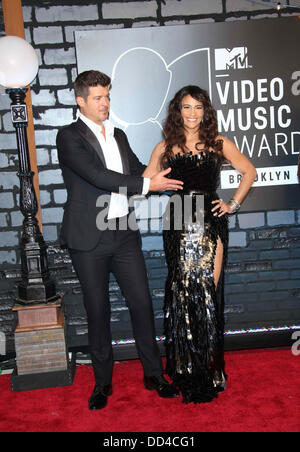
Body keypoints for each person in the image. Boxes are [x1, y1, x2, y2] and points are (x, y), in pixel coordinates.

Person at [56, 70, 183, 410]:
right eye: (98, 97)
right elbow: (99, 177)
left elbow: (138, 170)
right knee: (98, 311)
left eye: (107, 96)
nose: (105, 103)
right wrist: (147, 185)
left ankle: (154, 374)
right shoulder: (69, 137)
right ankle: (102, 383)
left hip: (123, 233)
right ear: (81, 100)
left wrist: (165, 160)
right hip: (88, 237)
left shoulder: (120, 135)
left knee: (142, 304)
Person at [144, 85, 257, 404]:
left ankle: (208, 369)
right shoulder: (164, 146)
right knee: (182, 293)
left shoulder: (219, 143)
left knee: (207, 291)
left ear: (205, 112)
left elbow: (250, 171)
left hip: (210, 218)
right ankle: (185, 368)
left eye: (198, 107)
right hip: (179, 219)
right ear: (177, 111)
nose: (192, 113)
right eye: (186, 107)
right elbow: (145, 183)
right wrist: (155, 185)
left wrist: (233, 204)